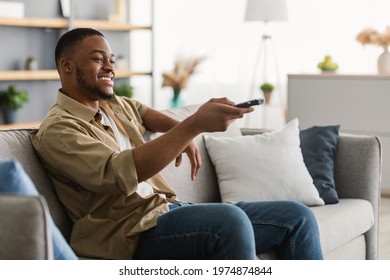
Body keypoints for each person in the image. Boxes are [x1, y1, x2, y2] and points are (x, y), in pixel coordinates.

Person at [30, 28, 323, 260]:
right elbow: (119, 173)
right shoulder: (59, 129)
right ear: (67, 66)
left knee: (297, 216)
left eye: (112, 60)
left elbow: (144, 113)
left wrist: (183, 129)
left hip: (165, 210)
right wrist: (192, 127)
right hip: (128, 234)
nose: (110, 67)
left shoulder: (111, 105)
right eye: (98, 59)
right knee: (228, 220)